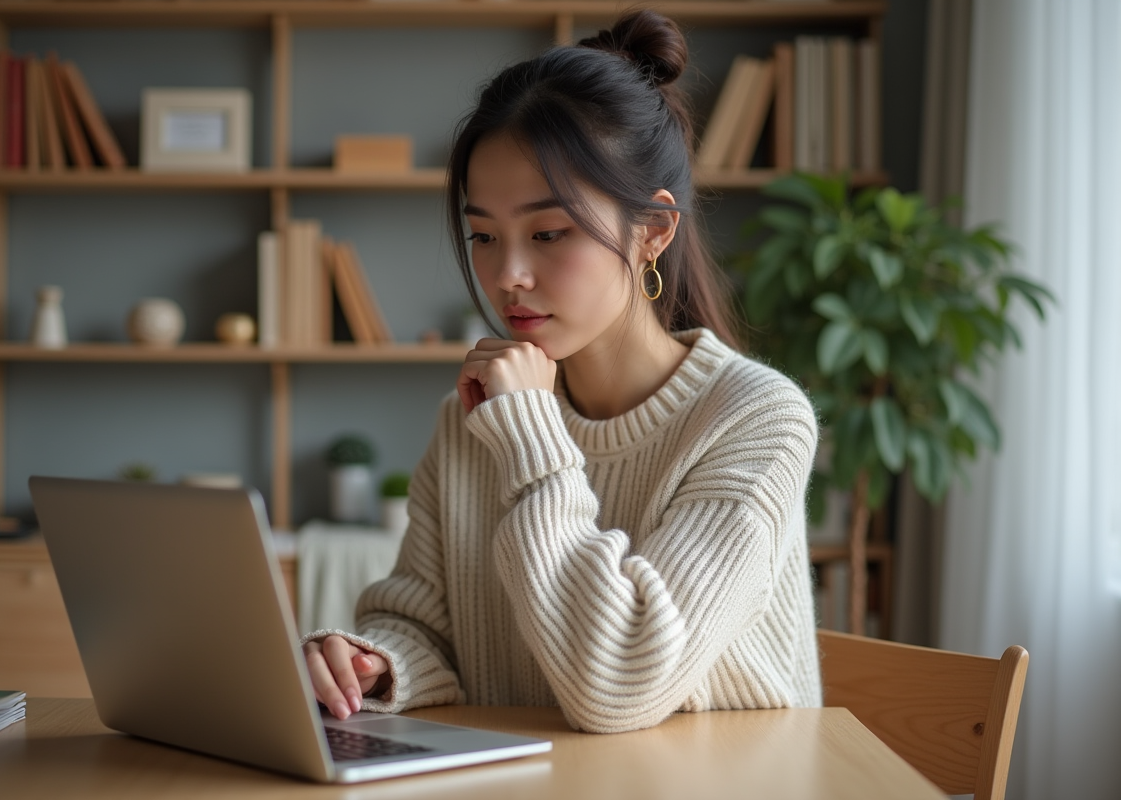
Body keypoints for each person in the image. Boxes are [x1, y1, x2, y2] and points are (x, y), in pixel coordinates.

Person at [302, 9, 822, 735]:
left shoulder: (757, 419)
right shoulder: (473, 419)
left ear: (654, 231)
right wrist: (377, 663)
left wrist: (530, 440)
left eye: (549, 233)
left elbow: (620, 679)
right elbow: (421, 624)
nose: (507, 275)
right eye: (482, 234)